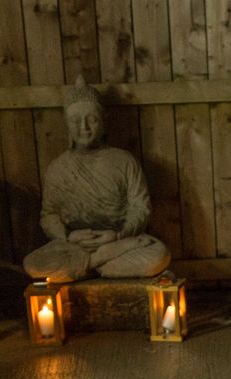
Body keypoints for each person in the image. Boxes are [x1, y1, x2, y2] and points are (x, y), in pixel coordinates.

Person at [23, 77, 171, 282]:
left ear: (103, 120)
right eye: (76, 120)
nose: (84, 127)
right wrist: (68, 236)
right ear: (67, 123)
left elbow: (141, 207)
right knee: (33, 264)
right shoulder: (58, 168)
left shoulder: (124, 161)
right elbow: (49, 215)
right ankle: (99, 262)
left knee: (158, 256)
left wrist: (118, 235)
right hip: (75, 245)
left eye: (91, 119)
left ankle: (82, 268)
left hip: (117, 239)